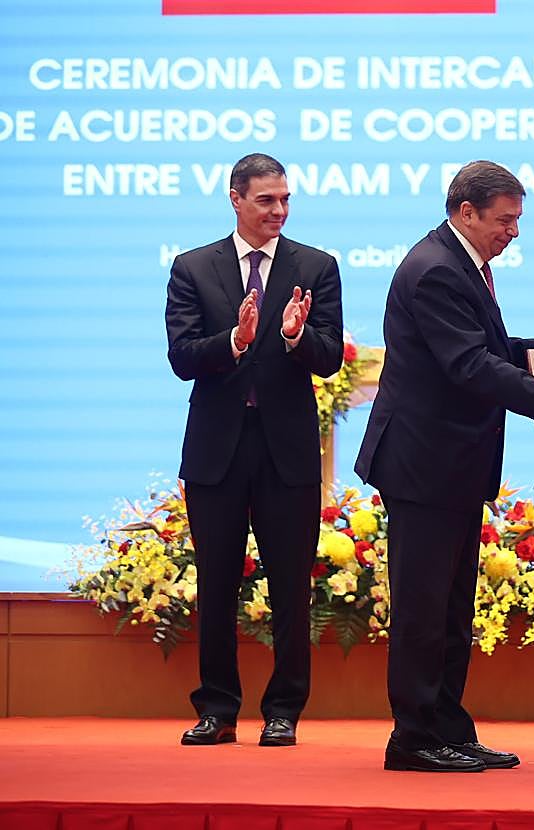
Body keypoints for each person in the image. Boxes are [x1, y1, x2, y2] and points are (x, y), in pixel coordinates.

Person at [355, 160, 534, 773]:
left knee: (450, 607)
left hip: (449, 465)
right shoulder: (435, 270)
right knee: (424, 609)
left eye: (517, 219)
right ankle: (414, 739)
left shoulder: (458, 262)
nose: (513, 232)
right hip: (423, 465)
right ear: (466, 212)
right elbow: (468, 366)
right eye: (506, 219)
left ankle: (447, 727)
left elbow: (482, 348)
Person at [166, 153, 344, 747]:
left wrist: (293, 335)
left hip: (286, 450)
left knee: (291, 584)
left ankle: (284, 709)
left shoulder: (316, 266)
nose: (279, 211)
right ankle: (216, 710)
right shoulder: (193, 268)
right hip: (218, 449)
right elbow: (183, 358)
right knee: (216, 582)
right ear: (236, 198)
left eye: (286, 199)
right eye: (267, 200)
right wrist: (235, 341)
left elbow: (327, 357)